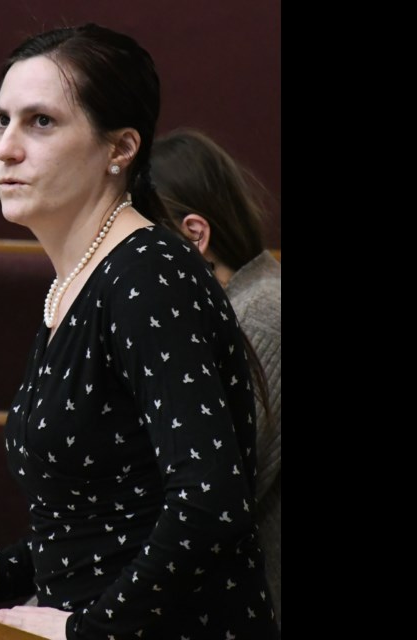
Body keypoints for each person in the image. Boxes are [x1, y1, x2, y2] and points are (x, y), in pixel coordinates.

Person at [0, 24, 279, 639]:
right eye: (1, 120)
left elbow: (209, 504)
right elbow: (111, 520)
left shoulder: (149, 273)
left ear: (120, 148)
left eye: (40, 122)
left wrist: (88, 630)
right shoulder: (82, 279)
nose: (5, 147)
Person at [151, 127, 282, 627]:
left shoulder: (259, 318)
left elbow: (200, 505)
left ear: (194, 235)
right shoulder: (241, 305)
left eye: (139, 241)